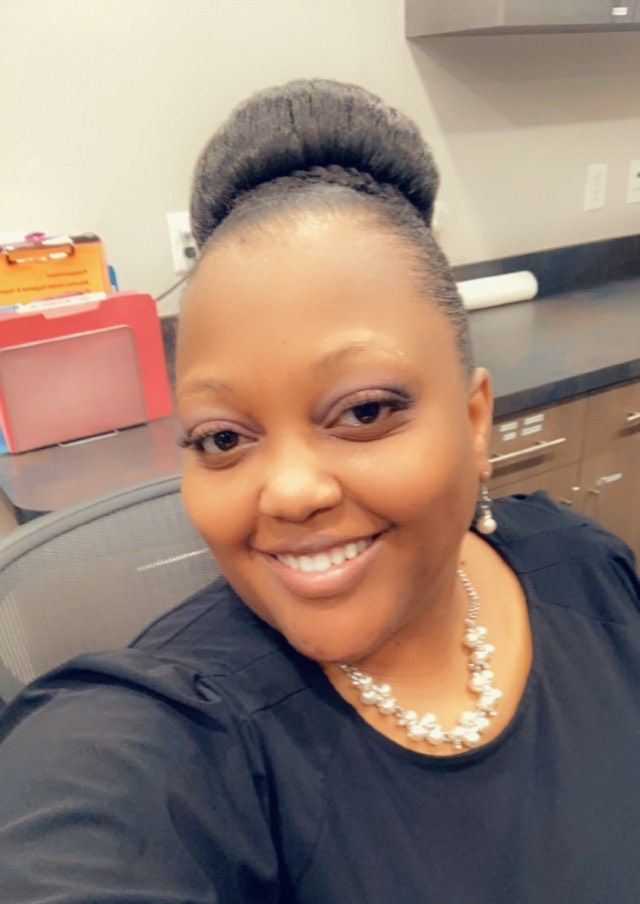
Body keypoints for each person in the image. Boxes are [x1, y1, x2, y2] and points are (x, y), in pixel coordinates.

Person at [0, 79, 639, 904]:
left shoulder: (585, 567)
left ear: (476, 422)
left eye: (365, 411)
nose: (291, 493)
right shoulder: (162, 737)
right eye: (223, 439)